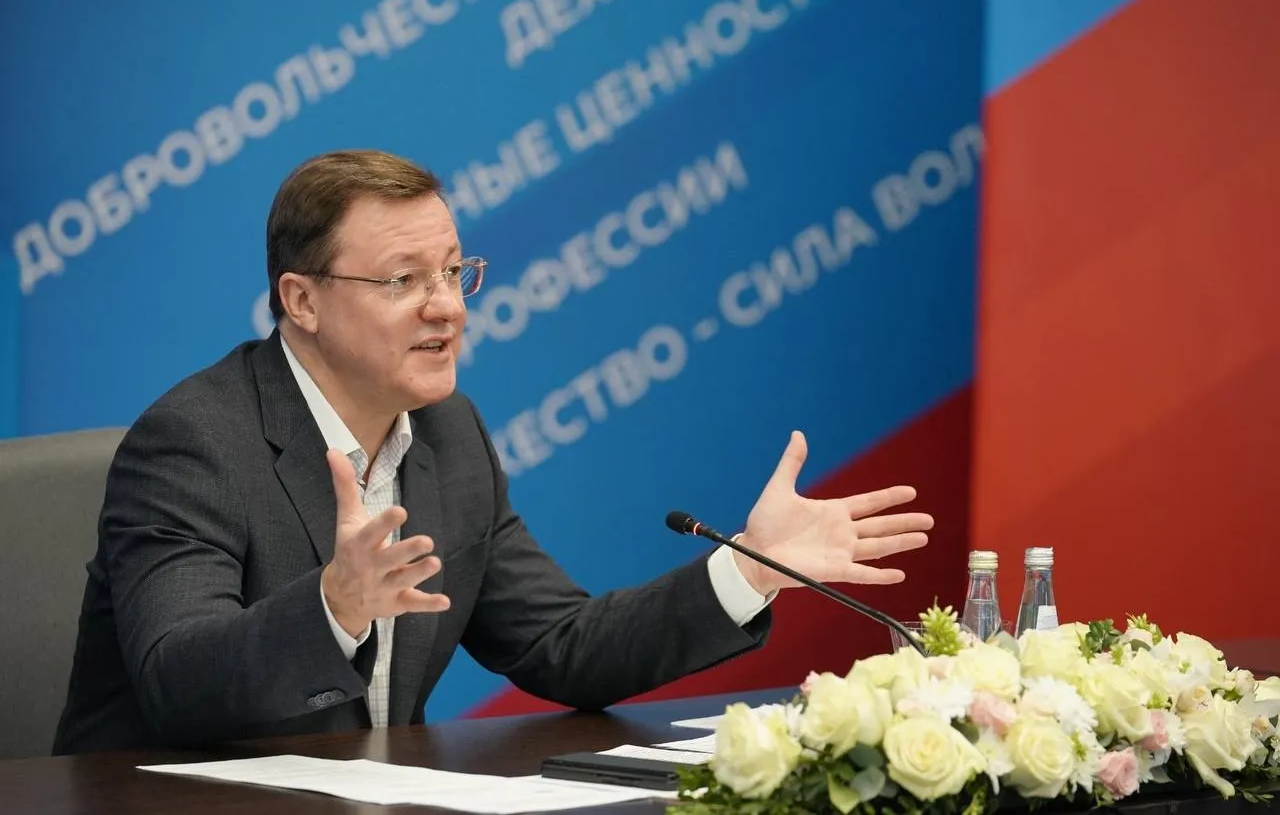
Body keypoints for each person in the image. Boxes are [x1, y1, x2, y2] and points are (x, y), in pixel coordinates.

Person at [52, 150, 933, 755]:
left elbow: (561, 645)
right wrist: (332, 606)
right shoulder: (194, 443)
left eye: (453, 272)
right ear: (302, 300)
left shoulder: (448, 432)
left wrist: (748, 569)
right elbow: (176, 683)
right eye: (404, 280)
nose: (448, 307)